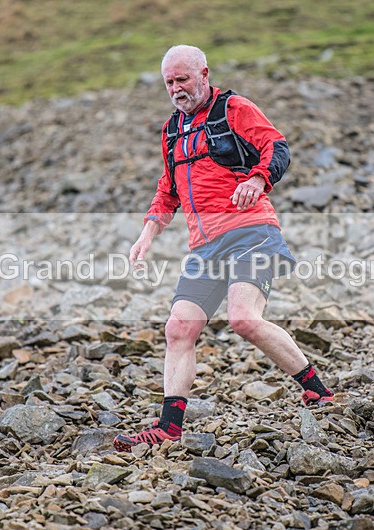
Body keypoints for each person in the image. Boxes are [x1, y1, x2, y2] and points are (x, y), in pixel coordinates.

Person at [113, 45, 334, 451]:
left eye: (182, 79)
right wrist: (146, 235)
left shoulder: (234, 108)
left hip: (251, 232)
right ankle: (169, 427)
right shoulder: (172, 130)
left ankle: (317, 391)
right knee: (179, 328)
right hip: (205, 247)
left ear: (204, 74)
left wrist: (258, 179)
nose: (176, 89)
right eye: (169, 82)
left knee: (243, 319)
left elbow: (276, 146)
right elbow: (168, 190)